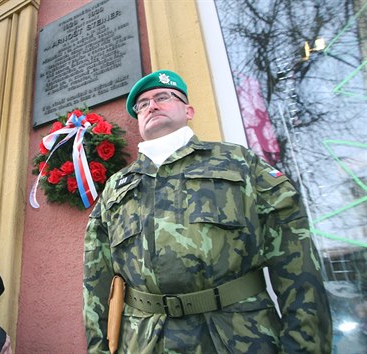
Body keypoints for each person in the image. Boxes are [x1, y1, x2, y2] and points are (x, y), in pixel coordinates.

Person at [82, 70, 332, 353]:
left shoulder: (239, 162)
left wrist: (304, 346)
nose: (151, 105)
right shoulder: (116, 187)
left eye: (162, 97)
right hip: (145, 342)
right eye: (142, 104)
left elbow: (295, 259)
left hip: (239, 336)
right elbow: (96, 279)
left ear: (188, 110)